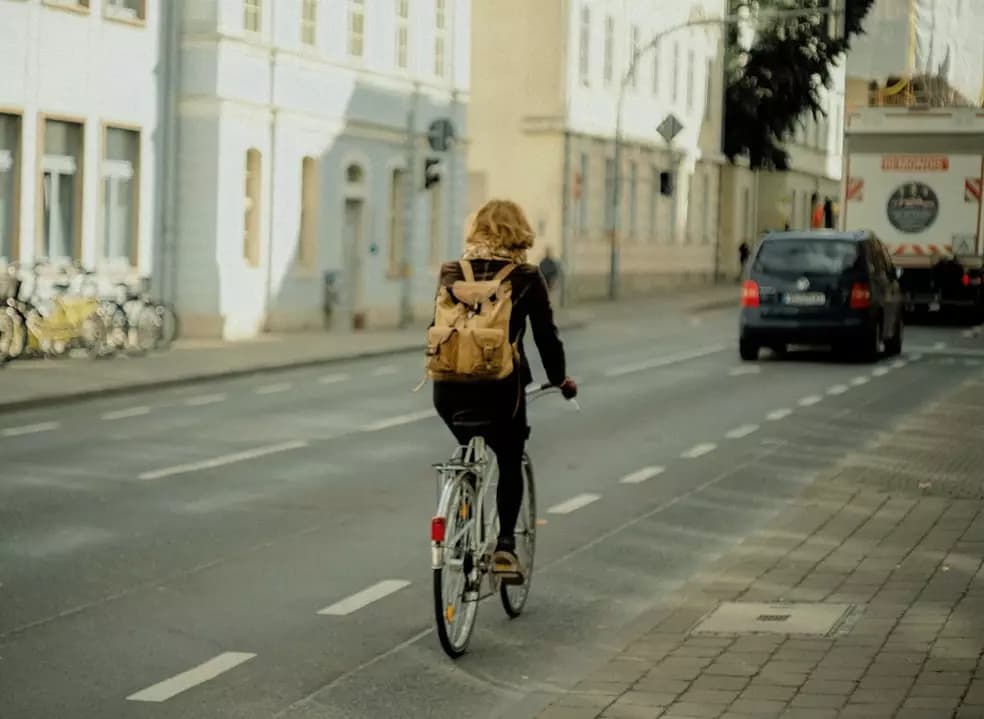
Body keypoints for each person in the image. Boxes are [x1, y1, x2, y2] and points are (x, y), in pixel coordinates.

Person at [432, 199, 577, 580]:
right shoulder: (525, 277)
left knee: (466, 445)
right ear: (519, 233)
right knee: (510, 455)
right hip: (500, 392)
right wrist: (560, 378)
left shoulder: (451, 272)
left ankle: (460, 512)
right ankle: (506, 547)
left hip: (447, 389)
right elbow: (547, 339)